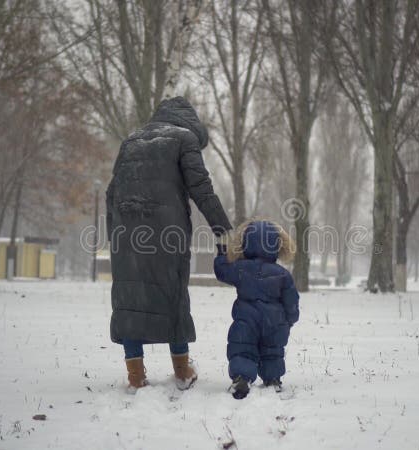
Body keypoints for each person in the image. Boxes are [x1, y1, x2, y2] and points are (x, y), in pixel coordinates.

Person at [106, 97, 232, 392]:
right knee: (173, 294)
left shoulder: (131, 141)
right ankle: (182, 369)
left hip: (127, 233)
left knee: (130, 299)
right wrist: (225, 234)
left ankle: (135, 375)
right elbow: (202, 190)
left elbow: (111, 193)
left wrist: (116, 233)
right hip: (167, 233)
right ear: (191, 122)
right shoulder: (184, 139)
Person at [214, 220, 300, 399]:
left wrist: (223, 250)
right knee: (272, 351)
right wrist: (290, 320)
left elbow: (222, 271)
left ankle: (242, 378)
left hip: (246, 321)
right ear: (277, 245)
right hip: (275, 323)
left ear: (245, 244)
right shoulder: (282, 274)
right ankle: (272, 378)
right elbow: (291, 301)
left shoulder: (240, 269)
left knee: (243, 348)